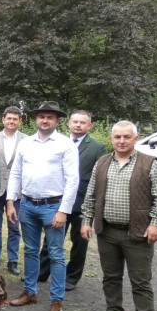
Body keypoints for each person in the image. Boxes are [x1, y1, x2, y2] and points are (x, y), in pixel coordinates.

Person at [80, 121, 157, 311]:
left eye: (126, 137)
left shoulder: (149, 164)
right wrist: (86, 221)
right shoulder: (102, 162)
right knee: (110, 277)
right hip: (107, 231)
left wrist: (156, 223)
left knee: (140, 281)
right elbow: (90, 196)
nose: (121, 141)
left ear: (135, 139)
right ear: (111, 139)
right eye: (117, 137)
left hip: (137, 233)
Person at [6, 101, 79, 311]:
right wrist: (11, 201)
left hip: (53, 206)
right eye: (41, 117)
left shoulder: (66, 145)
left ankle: (57, 300)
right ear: (35, 119)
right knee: (29, 250)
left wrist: (64, 211)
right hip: (27, 204)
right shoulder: (26, 143)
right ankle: (30, 292)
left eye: (49, 117)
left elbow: (72, 180)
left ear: (57, 121)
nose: (44, 120)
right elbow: (16, 174)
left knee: (56, 254)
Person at [38, 110, 108, 291]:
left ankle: (71, 277)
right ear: (68, 123)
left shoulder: (97, 148)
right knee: (51, 239)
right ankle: (41, 272)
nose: (78, 125)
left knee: (79, 243)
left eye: (83, 122)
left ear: (89, 126)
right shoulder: (57, 143)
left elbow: (99, 177)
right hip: (58, 201)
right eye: (75, 122)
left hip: (81, 203)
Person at [0, 106, 27, 275]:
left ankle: (13, 260)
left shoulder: (27, 140)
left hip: (17, 191)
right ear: (3, 120)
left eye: (15, 119)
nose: (11, 121)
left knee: (14, 227)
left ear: (20, 121)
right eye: (9, 118)